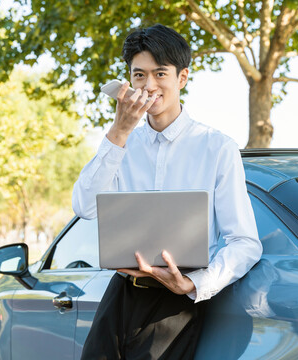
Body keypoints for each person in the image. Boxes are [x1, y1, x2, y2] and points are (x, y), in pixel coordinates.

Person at [72, 24, 262, 359]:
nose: (149, 86)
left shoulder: (216, 147)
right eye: (139, 75)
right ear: (129, 80)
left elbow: (245, 243)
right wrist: (119, 131)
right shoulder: (121, 142)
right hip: (120, 295)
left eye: (161, 73)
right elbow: (85, 206)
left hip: (175, 302)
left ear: (182, 78)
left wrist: (195, 284)